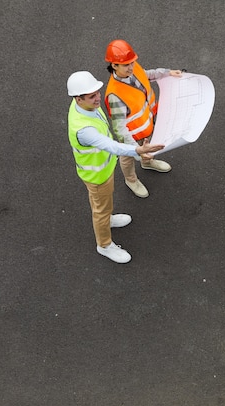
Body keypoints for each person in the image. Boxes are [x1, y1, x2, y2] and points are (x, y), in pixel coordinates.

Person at [67, 71, 165, 263]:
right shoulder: (84, 130)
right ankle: (104, 245)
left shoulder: (81, 106)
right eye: (92, 96)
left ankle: (108, 219)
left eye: (97, 92)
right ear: (78, 99)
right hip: (97, 177)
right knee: (100, 210)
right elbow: (110, 145)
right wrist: (138, 150)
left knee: (102, 206)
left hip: (103, 170)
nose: (98, 98)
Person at [104, 39, 183, 198]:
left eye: (132, 62)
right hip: (130, 137)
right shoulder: (115, 95)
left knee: (148, 146)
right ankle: (131, 180)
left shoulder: (133, 69)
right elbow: (120, 129)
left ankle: (147, 163)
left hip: (146, 126)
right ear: (114, 65)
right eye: (126, 65)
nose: (131, 67)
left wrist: (167, 73)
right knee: (127, 158)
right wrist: (136, 151)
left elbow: (146, 75)